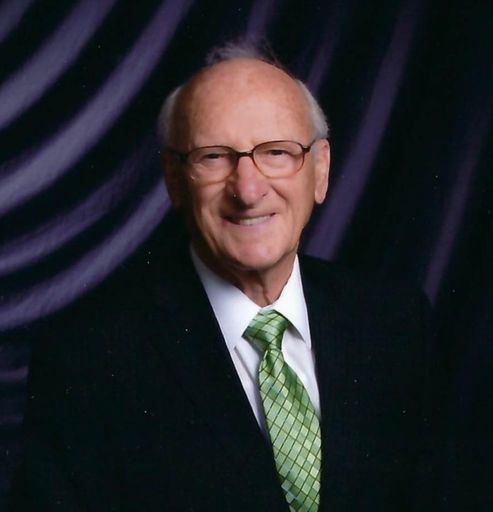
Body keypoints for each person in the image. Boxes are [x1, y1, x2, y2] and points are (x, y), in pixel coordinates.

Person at [9, 43, 434, 511]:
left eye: (277, 152)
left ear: (320, 170)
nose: (248, 190)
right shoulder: (88, 358)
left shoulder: (396, 322)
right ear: (174, 179)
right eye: (213, 157)